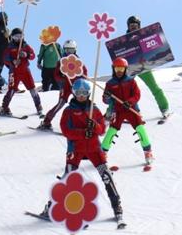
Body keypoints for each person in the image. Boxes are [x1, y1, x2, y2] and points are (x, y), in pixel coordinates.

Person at [39, 79, 123, 221]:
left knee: (106, 175)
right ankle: (51, 206)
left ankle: (117, 206)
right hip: (76, 149)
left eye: (84, 93)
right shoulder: (69, 111)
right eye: (78, 93)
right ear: (74, 93)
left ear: (89, 93)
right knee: (68, 178)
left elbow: (102, 129)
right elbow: (66, 130)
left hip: (94, 149)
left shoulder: (94, 110)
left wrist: (94, 126)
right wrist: (83, 133)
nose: (81, 96)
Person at [101, 57, 153, 165]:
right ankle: (102, 153)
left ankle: (148, 151)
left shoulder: (131, 81)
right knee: (112, 130)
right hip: (118, 111)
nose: (119, 71)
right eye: (116, 69)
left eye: (121, 69)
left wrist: (129, 102)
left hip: (131, 109)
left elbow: (137, 95)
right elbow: (106, 101)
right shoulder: (110, 84)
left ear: (125, 69)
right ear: (113, 69)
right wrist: (106, 97)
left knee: (140, 129)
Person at [37, 40, 87, 130]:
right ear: (63, 50)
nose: (69, 53)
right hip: (65, 86)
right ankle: (46, 121)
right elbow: (56, 75)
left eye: (71, 50)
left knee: (81, 104)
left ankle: (82, 124)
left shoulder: (77, 61)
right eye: (67, 50)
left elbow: (84, 72)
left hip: (76, 86)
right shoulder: (61, 62)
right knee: (60, 103)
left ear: (75, 50)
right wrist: (62, 77)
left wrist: (81, 79)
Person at [128, 15, 170, 118]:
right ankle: (130, 112)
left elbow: (155, 46)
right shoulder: (124, 40)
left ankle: (164, 108)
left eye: (135, 25)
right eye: (131, 25)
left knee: (154, 87)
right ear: (128, 26)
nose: (133, 27)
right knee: (123, 89)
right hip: (130, 68)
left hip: (143, 66)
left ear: (139, 26)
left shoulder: (144, 36)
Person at [0, 28, 43, 116]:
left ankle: (38, 106)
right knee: (11, 90)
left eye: (20, 36)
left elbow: (33, 55)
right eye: (16, 37)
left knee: (32, 88)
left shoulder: (26, 46)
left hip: (25, 71)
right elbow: (5, 58)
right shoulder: (10, 47)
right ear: (12, 37)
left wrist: (27, 55)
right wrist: (13, 61)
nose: (18, 38)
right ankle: (4, 107)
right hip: (14, 72)